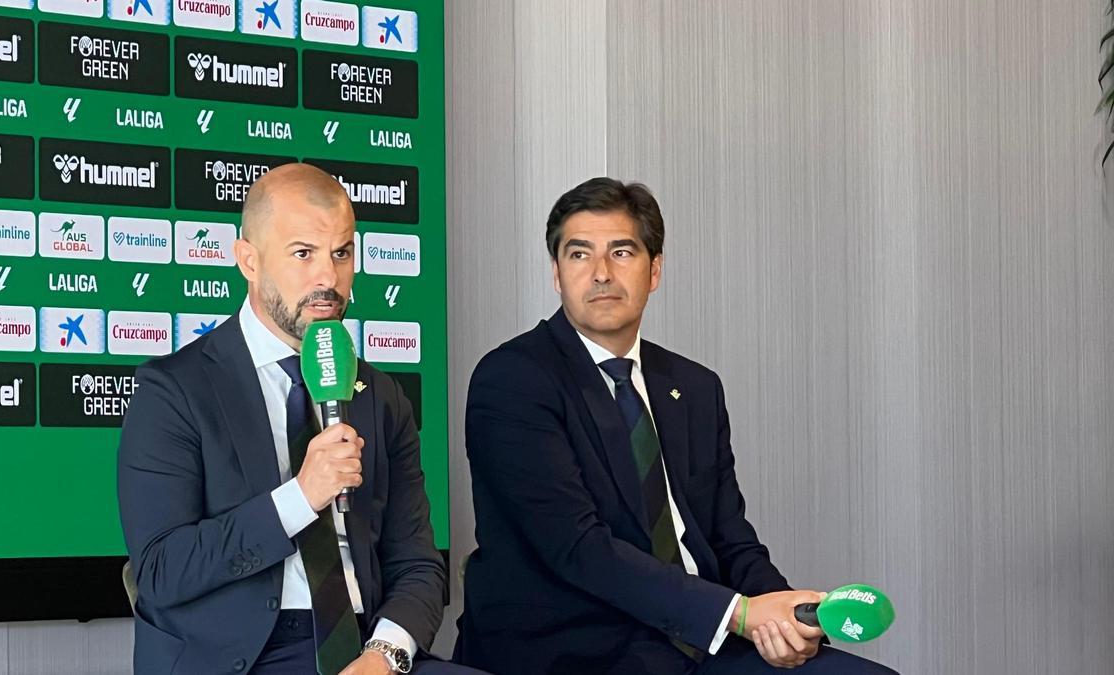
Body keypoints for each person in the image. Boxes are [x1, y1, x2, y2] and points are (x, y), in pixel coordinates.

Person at [455, 177, 898, 674]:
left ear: (655, 270)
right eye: (579, 255)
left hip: (700, 636)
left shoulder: (694, 386)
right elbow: (578, 549)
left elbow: (729, 536)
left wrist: (782, 614)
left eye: (622, 252)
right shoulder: (513, 378)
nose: (601, 273)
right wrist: (741, 614)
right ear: (557, 274)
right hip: (579, 646)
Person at [119, 164, 478, 675]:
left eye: (341, 253)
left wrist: (385, 656)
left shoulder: (379, 395)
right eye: (303, 253)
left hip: (366, 647)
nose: (328, 279)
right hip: (239, 658)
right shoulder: (175, 389)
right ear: (248, 260)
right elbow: (161, 570)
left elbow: (418, 566)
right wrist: (300, 498)